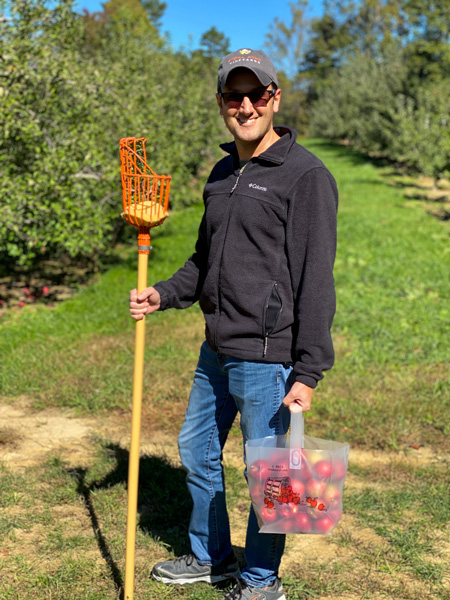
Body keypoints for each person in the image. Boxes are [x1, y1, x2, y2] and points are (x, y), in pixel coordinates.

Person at [129, 48, 338, 600]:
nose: (244, 106)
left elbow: (316, 277)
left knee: (270, 476)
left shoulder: (307, 175)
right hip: (216, 347)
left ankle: (262, 580)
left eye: (255, 94)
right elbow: (205, 258)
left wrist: (309, 370)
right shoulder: (224, 173)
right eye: (232, 96)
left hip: (268, 356)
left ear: (275, 98)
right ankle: (212, 558)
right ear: (222, 103)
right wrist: (163, 293)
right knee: (196, 449)